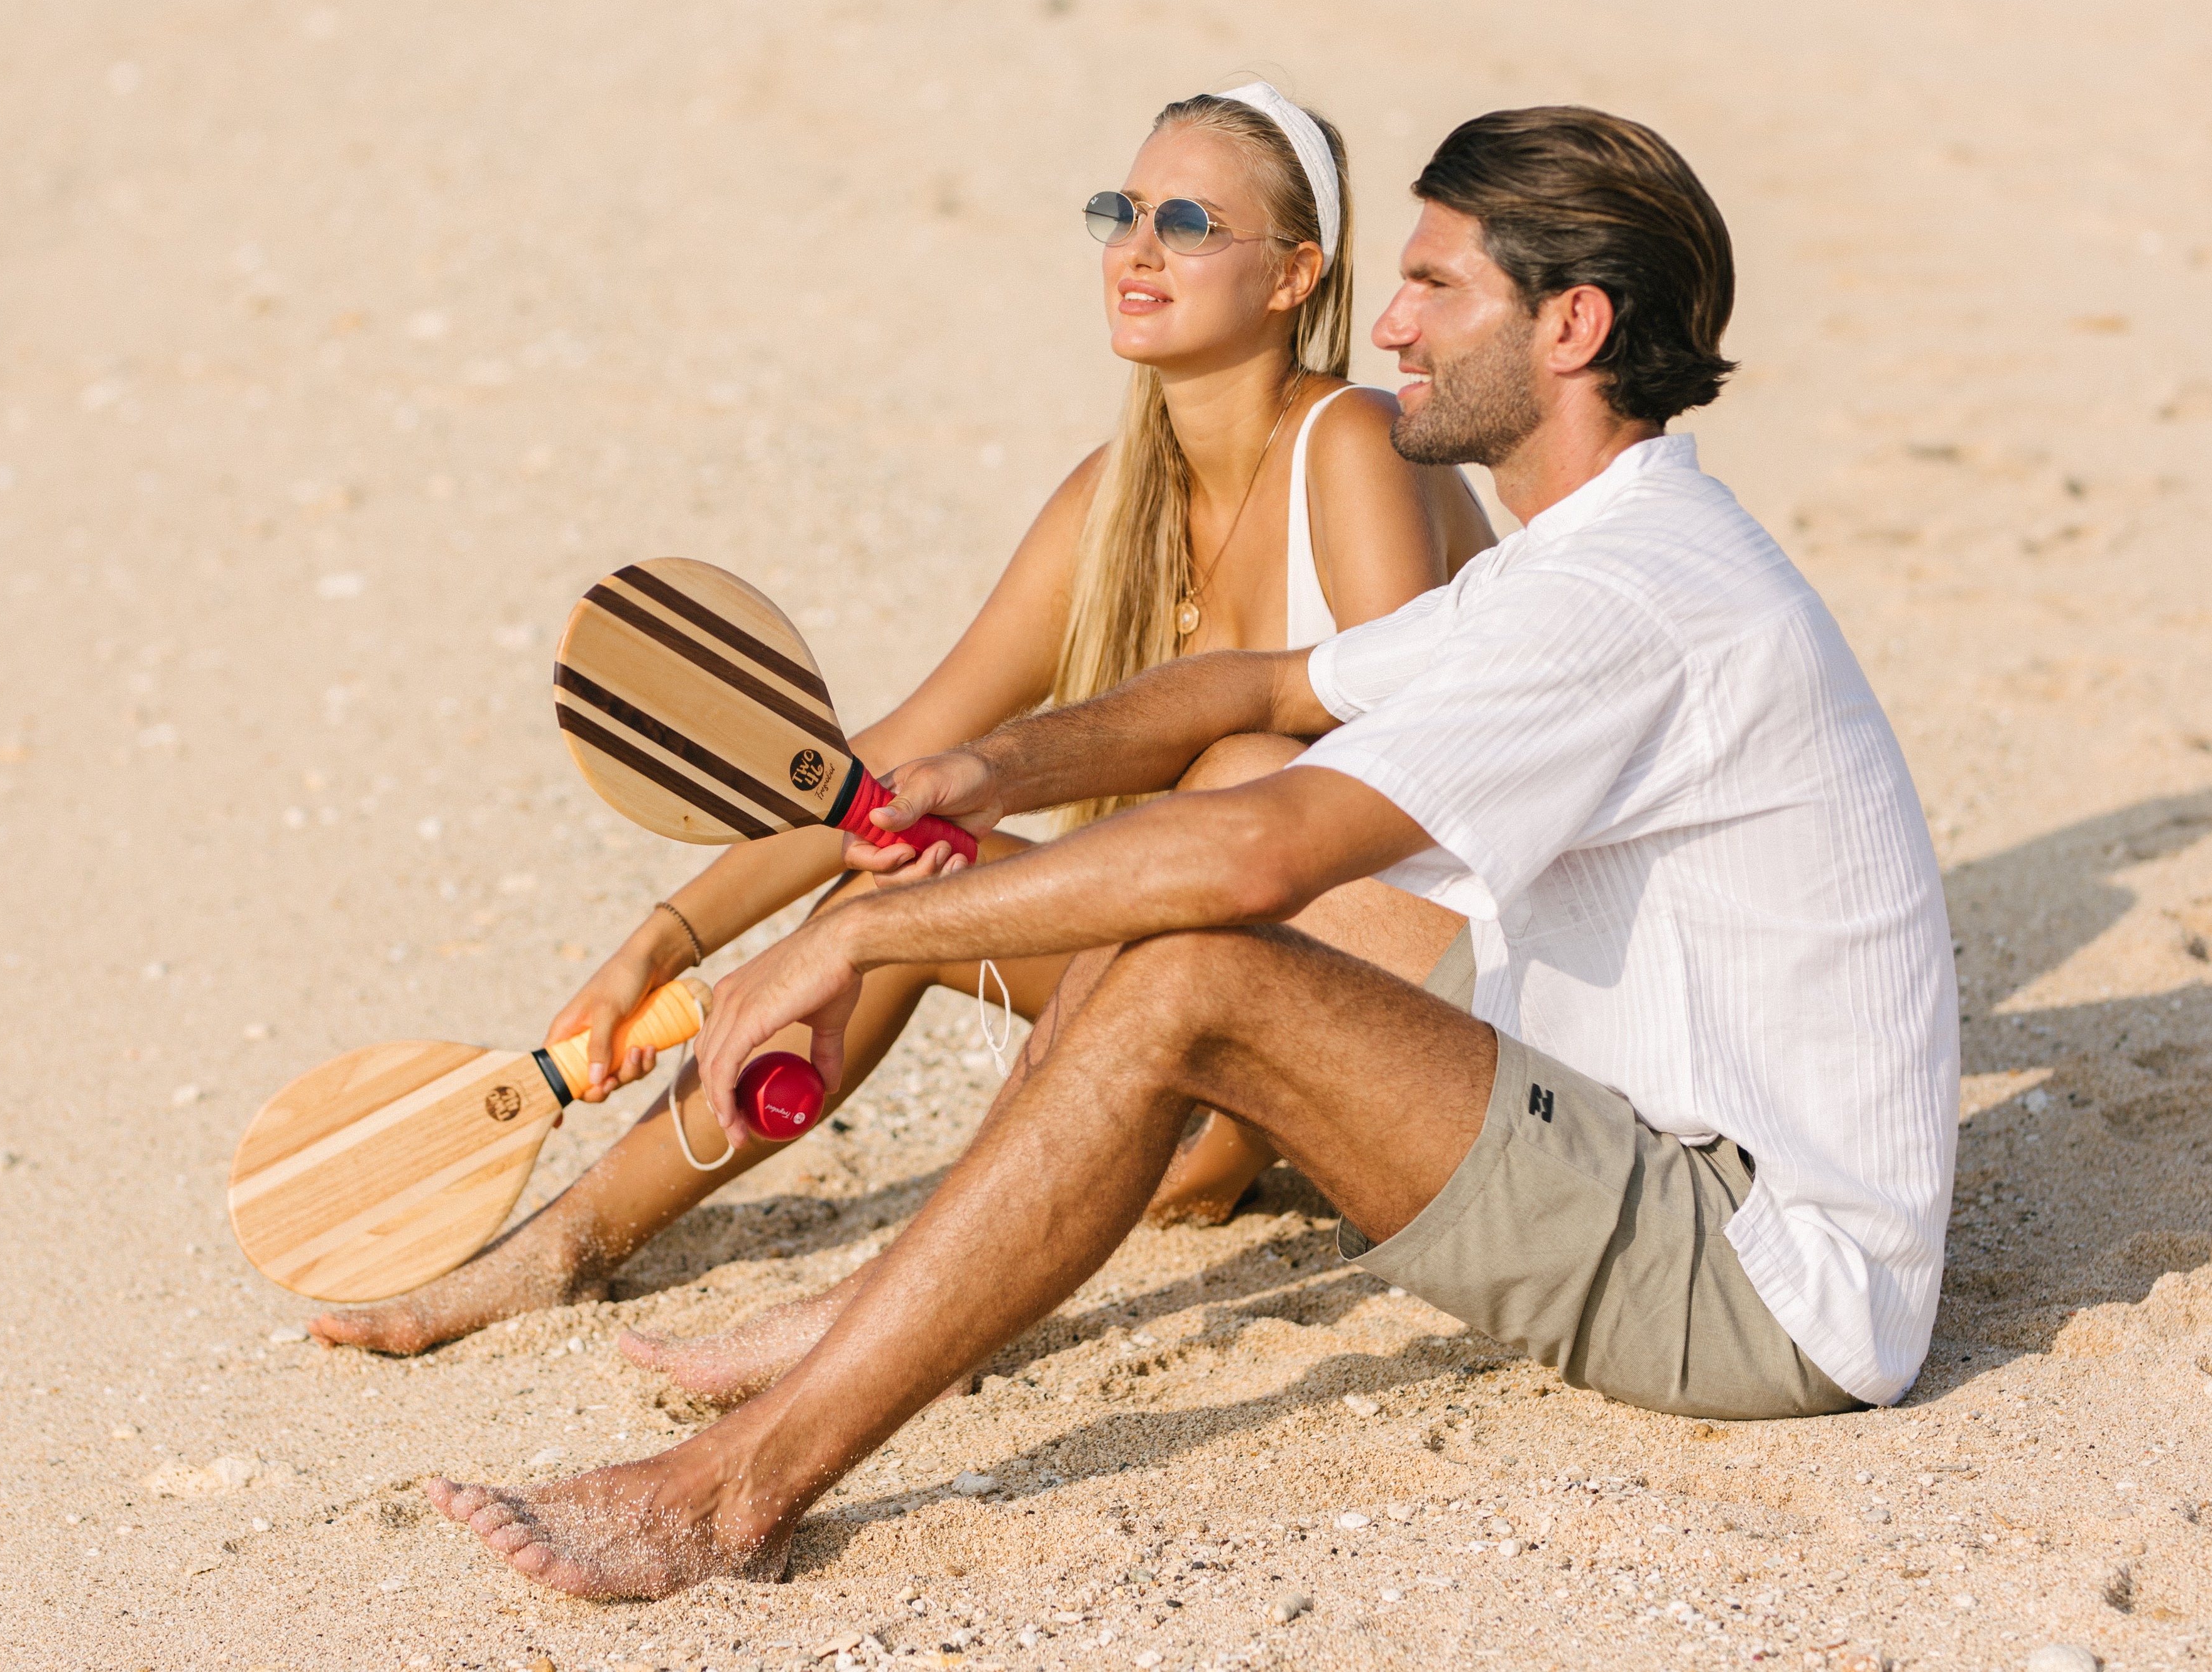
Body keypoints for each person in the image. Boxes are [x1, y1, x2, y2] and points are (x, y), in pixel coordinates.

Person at [424, 106, 1961, 1597]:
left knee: (1190, 974)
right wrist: (986, 769)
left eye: (1435, 287)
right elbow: (1258, 691)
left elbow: (1259, 856)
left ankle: (722, 1495)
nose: (1392, 328)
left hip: (1755, 1279)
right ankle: (880, 1303)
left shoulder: (1616, 598)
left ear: (1571, 326)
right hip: (1629, 1132)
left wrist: (852, 933)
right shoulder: (1586, 555)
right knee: (1185, 893)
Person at [309, 82, 1496, 1360]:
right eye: (1122, 212)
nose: (1139, 249)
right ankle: (564, 1247)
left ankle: (949, 1270)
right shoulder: (1113, 501)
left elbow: (1391, 795)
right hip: (1237, 971)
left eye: (1191, 222)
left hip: (1453, 1004)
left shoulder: (1356, 443)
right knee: (902, 879)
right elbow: (885, 765)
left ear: (1294, 276)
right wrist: (659, 943)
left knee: (1242, 767)